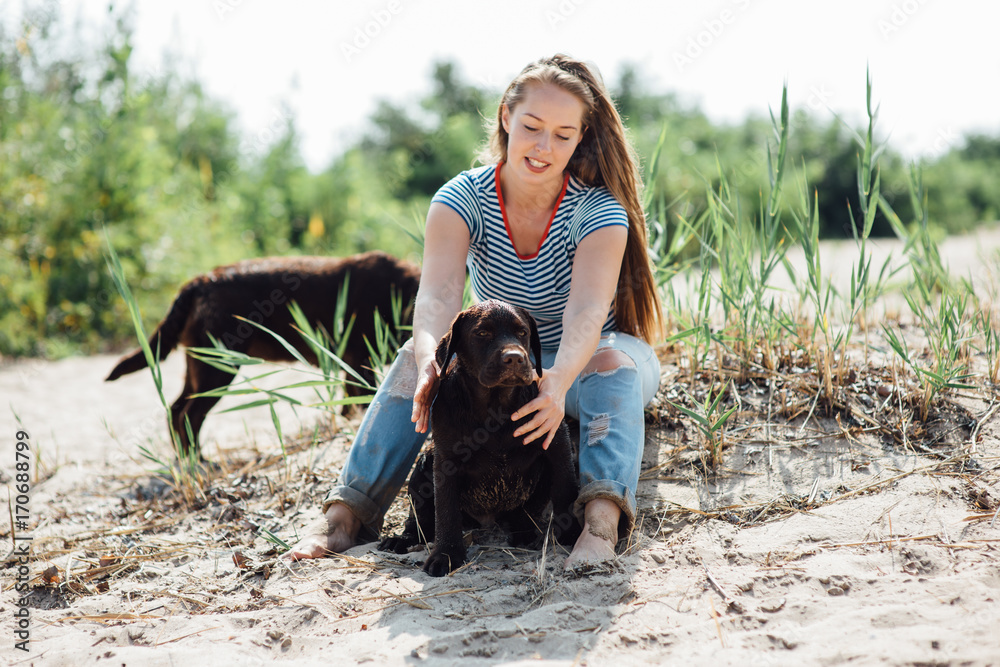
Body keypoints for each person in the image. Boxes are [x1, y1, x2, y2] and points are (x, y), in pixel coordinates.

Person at [284, 54, 663, 569]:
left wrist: (553, 383)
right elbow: (439, 296)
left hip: (587, 365)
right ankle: (344, 518)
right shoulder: (462, 197)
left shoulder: (598, 211)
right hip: (498, 371)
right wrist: (428, 362)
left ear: (581, 138)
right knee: (409, 363)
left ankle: (599, 525)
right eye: (531, 126)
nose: (543, 147)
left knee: (611, 365)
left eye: (562, 134)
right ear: (506, 117)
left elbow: (588, 313)